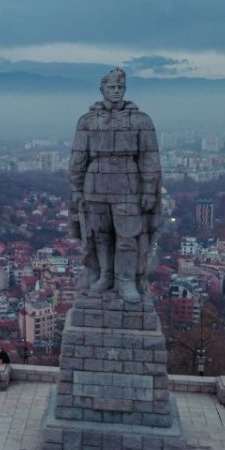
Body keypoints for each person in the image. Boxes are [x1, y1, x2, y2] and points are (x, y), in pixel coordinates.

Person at [69, 67, 162, 303]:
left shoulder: (141, 120)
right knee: (100, 234)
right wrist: (77, 188)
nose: (116, 91)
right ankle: (105, 275)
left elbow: (149, 157)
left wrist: (149, 189)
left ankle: (126, 280)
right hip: (95, 182)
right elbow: (78, 157)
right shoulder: (88, 121)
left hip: (128, 181)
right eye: (111, 87)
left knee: (128, 236)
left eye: (120, 87)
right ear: (102, 90)